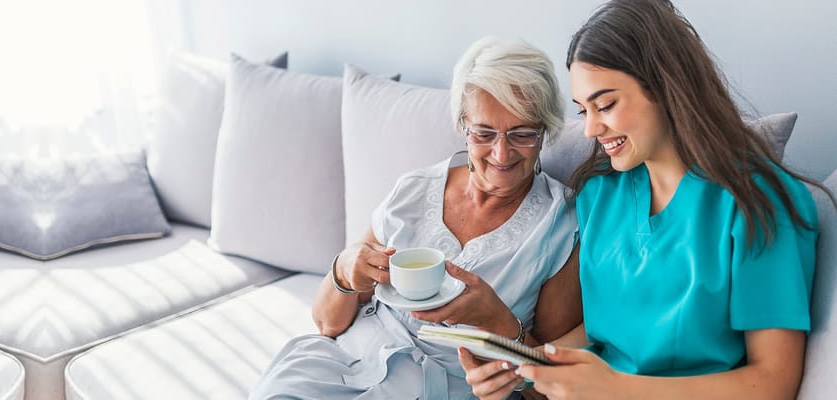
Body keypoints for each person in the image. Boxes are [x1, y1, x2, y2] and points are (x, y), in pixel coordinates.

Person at [461, 1, 833, 399]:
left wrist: (618, 388)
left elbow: (773, 382)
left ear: (665, 87)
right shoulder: (600, 193)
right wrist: (520, 369)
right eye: (583, 110)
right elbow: (604, 331)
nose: (589, 129)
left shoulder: (757, 202)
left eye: (604, 105)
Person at [249, 36, 583, 399]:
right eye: (484, 133)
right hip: (346, 364)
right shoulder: (414, 189)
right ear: (462, 126)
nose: (501, 154)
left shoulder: (560, 226)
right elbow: (327, 324)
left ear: (545, 130)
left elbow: (550, 391)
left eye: (522, 134)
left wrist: (498, 322)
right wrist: (345, 269)